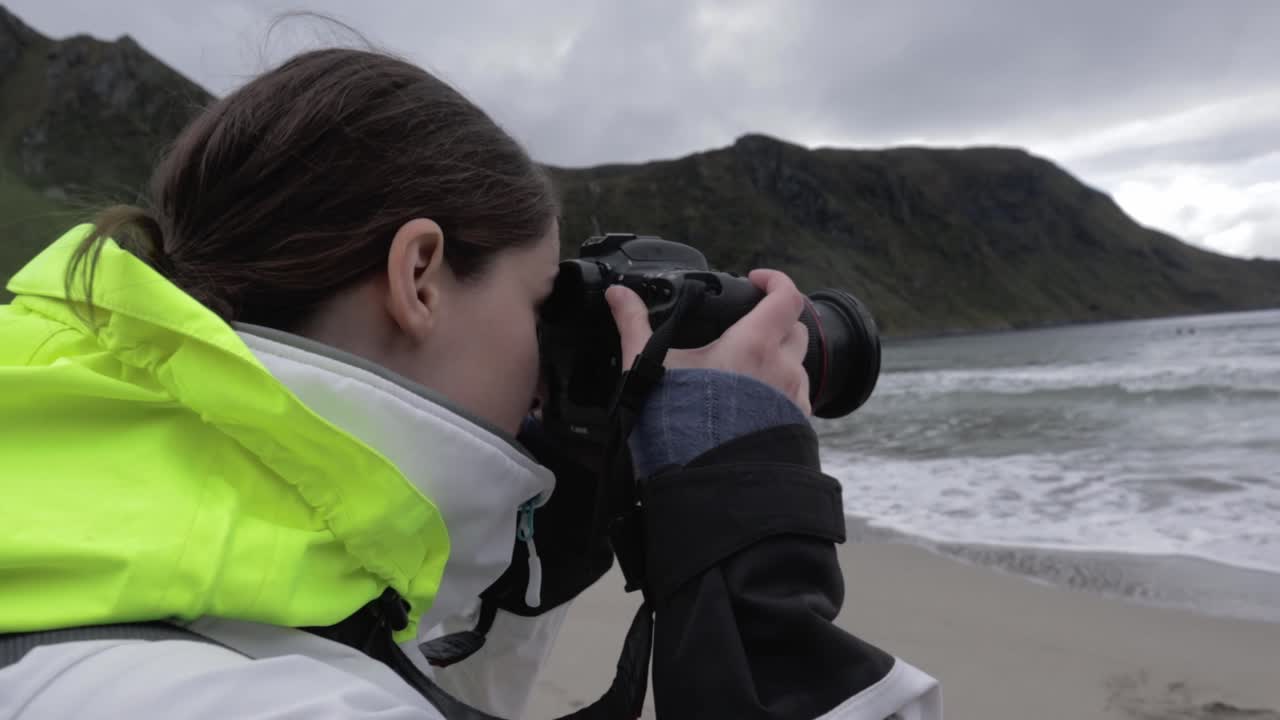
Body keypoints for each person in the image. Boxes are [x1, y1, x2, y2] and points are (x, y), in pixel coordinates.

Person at [0, 46, 940, 719]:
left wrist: (542, 553)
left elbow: (385, 674)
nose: (542, 362)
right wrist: (745, 547)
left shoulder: (104, 536)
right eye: (539, 299)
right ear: (420, 277)